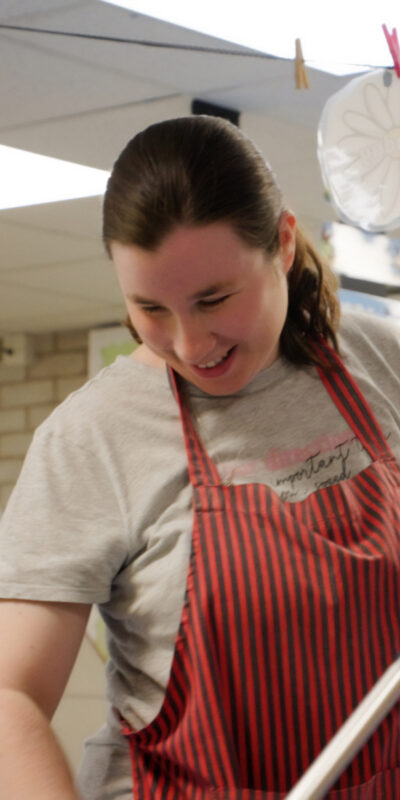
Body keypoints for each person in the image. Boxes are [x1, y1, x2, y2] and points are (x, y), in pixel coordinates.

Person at [0, 114, 399, 800]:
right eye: (149, 308)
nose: (188, 344)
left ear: (281, 243)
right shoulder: (92, 438)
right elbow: (11, 695)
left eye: (213, 299)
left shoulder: (379, 361)